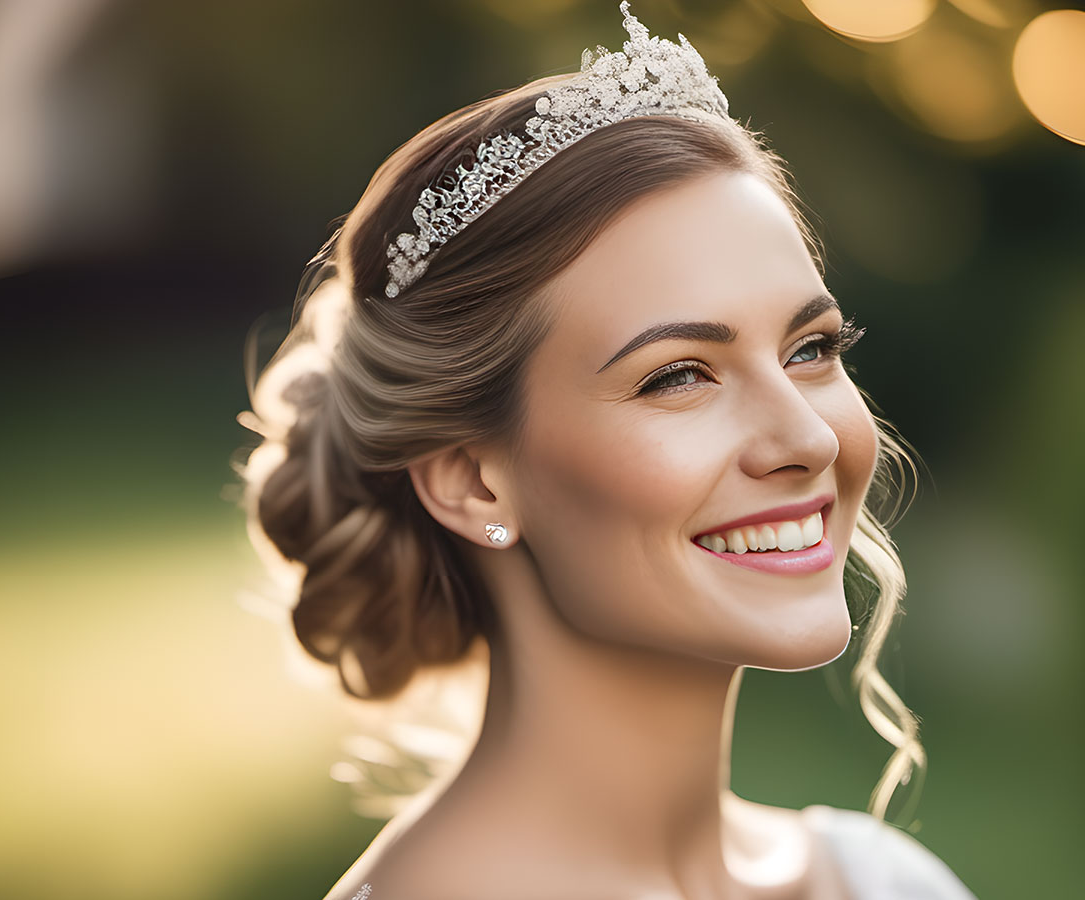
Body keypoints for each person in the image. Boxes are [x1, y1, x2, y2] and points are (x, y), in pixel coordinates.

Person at [237, 4, 976, 898]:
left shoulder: (884, 881)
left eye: (810, 350)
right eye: (678, 377)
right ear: (472, 481)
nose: (809, 438)